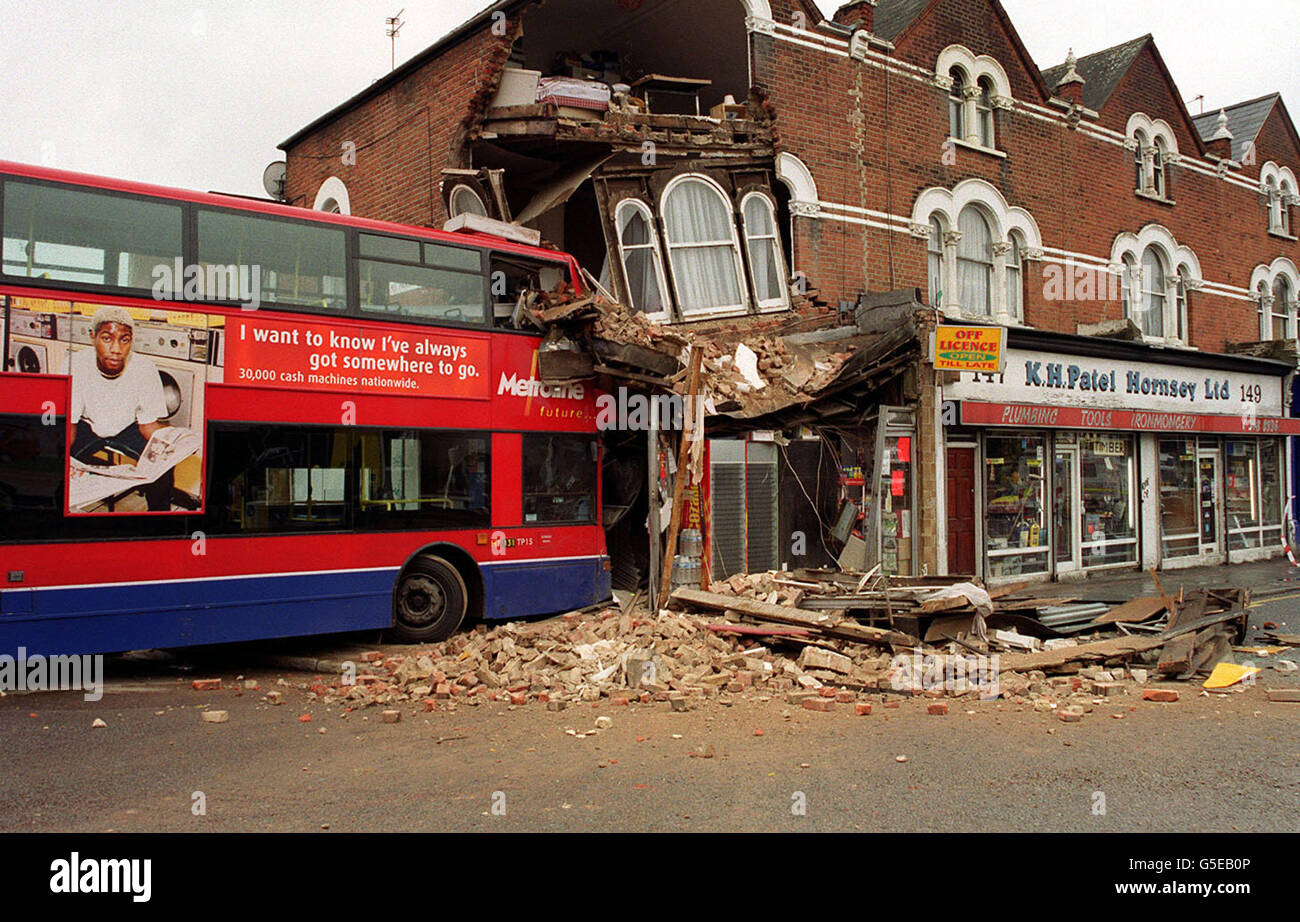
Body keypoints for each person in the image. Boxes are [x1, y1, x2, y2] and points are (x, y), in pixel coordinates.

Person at [69, 306, 174, 511]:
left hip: (128, 426)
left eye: (124, 340)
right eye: (107, 338)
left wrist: (176, 444)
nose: (116, 349)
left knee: (165, 463)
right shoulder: (76, 364)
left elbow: (148, 426)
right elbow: (70, 425)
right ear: (93, 337)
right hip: (85, 426)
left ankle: (160, 522)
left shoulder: (144, 368)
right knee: (57, 469)